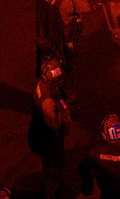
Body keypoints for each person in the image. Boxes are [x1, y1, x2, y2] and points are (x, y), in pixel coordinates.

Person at [28, 57, 72, 199]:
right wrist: (65, 117)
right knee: (54, 168)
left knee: (48, 166)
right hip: (49, 139)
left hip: (38, 133)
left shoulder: (41, 84)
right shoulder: (48, 99)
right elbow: (54, 124)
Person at [35, 0, 89, 79]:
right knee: (68, 70)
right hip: (62, 43)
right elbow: (86, 6)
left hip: (45, 38)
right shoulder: (65, 3)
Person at [79, 114, 120, 199]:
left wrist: (88, 185)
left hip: (108, 195)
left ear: (104, 135)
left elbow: (82, 167)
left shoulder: (96, 153)